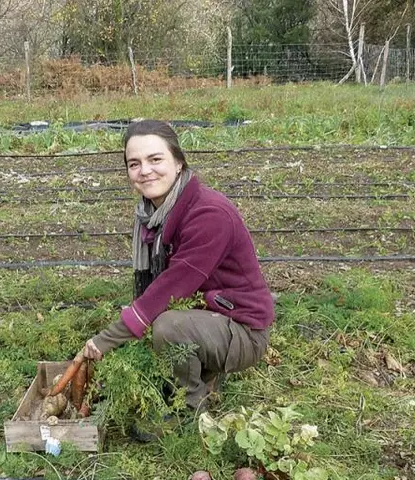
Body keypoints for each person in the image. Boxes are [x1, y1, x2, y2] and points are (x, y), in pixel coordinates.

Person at [81, 119, 275, 418]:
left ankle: (190, 410)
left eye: (155, 159)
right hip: (210, 313)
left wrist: (104, 341)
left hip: (244, 330)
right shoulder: (154, 214)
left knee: (167, 326)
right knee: (149, 324)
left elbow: (169, 290)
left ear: (179, 163)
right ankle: (202, 372)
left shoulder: (209, 214)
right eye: (134, 164)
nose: (144, 171)